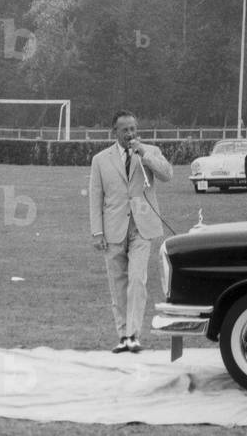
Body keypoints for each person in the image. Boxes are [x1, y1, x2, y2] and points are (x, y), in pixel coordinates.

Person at [89, 110, 173, 353]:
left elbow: (167, 175)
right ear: (114, 132)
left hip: (142, 227)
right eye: (125, 130)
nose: (130, 134)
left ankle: (134, 334)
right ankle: (123, 335)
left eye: (133, 129)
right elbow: (96, 198)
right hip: (113, 228)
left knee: (137, 280)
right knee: (118, 284)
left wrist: (145, 154)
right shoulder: (100, 160)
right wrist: (97, 232)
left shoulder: (149, 151)